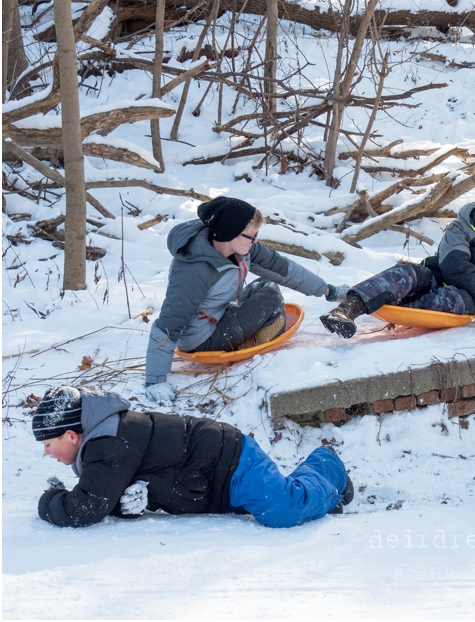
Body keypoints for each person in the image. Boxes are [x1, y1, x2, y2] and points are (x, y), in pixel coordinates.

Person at [32, 385, 354, 528]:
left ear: (72, 435)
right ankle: (322, 487)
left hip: (230, 462)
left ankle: (327, 466)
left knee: (282, 509)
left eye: (49, 444)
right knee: (279, 504)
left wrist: (48, 501)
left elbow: (86, 508)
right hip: (214, 484)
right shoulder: (104, 444)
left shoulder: (108, 444)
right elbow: (111, 493)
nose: (47, 453)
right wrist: (129, 503)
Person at [145, 196, 349, 401]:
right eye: (251, 236)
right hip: (202, 338)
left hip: (220, 314)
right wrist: (155, 381)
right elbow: (168, 325)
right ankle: (250, 341)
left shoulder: (240, 249)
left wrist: (327, 291)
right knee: (269, 296)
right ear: (229, 233)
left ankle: (252, 333)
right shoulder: (193, 271)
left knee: (265, 286)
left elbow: (280, 268)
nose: (256, 241)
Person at [319, 197, 475, 339]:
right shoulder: (461, 230)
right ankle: (345, 310)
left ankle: (398, 305)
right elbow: (454, 266)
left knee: (453, 298)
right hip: (439, 276)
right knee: (406, 272)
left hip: (468, 298)